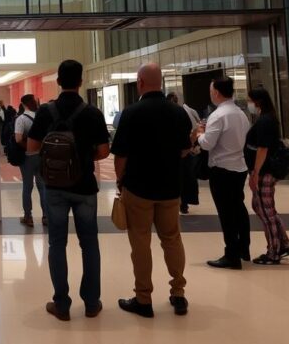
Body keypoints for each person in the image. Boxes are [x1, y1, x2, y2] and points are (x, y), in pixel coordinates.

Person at [27, 59, 110, 322]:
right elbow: (104, 151)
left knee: (56, 243)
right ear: (81, 81)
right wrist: (82, 158)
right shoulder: (92, 113)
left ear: (59, 81)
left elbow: (31, 147)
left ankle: (61, 303)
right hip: (84, 186)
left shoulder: (45, 112)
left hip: (54, 187)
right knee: (89, 244)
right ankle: (92, 302)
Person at [113, 64, 191, 318]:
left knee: (141, 243)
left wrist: (120, 179)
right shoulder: (178, 113)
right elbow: (184, 149)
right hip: (170, 188)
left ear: (140, 83)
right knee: (172, 239)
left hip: (138, 188)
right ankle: (178, 293)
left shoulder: (131, 112)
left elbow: (121, 155)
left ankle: (143, 299)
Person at [196, 76, 251, 270]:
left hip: (222, 170)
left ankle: (231, 255)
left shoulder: (218, 115)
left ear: (217, 93)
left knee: (226, 214)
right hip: (239, 167)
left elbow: (207, 144)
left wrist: (199, 134)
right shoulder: (240, 113)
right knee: (239, 209)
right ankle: (244, 248)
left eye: (212, 91)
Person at [245, 88, 289, 265]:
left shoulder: (265, 121)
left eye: (249, 100)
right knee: (261, 206)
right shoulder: (267, 118)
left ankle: (274, 251)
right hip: (264, 169)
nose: (248, 103)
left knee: (266, 211)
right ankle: (283, 244)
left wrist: (255, 172)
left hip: (265, 170)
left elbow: (262, 148)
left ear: (257, 101)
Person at [15, 94, 46, 227]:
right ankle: (46, 217)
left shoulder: (21, 119)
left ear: (23, 104)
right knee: (42, 186)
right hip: (41, 156)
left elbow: (18, 139)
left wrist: (28, 147)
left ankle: (28, 217)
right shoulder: (41, 117)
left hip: (27, 157)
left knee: (27, 187)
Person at [168, 92, 201, 214]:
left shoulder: (175, 112)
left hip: (180, 151)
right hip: (187, 150)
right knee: (186, 177)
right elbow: (196, 128)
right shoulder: (188, 111)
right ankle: (183, 203)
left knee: (180, 178)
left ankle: (180, 202)